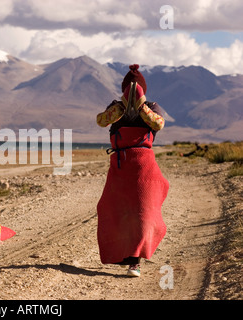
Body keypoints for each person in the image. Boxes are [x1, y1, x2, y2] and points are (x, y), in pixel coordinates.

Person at [96, 64, 170, 277]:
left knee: (142, 213)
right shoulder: (115, 107)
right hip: (120, 166)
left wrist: (141, 107)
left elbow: (158, 124)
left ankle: (134, 261)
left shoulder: (152, 107)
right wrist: (119, 110)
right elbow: (101, 121)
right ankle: (122, 256)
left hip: (143, 169)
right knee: (113, 209)